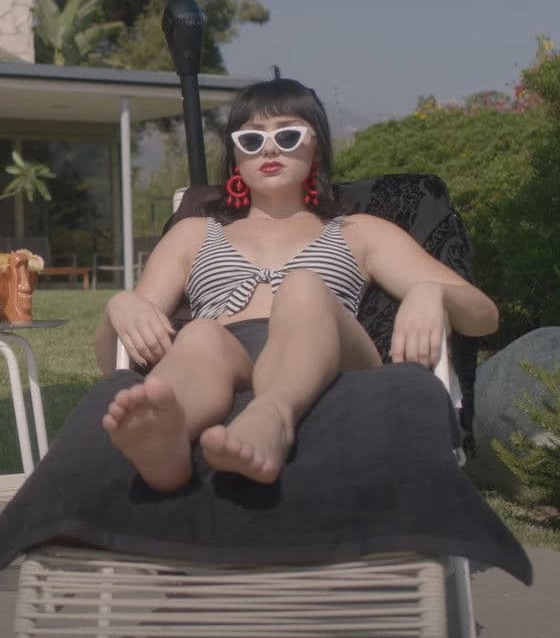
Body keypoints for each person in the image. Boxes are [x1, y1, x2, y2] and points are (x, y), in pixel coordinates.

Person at [96, 78, 498, 492]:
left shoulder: (359, 232)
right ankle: (167, 439)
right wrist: (119, 308)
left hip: (330, 358)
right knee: (198, 334)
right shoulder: (194, 234)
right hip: (225, 360)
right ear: (236, 156)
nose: (269, 149)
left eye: (288, 136)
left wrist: (430, 291)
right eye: (251, 139)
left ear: (316, 146)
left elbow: (484, 317)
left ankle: (272, 417)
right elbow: (117, 360)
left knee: (303, 286)